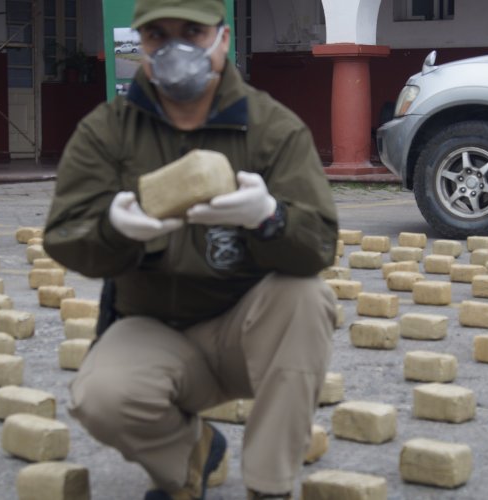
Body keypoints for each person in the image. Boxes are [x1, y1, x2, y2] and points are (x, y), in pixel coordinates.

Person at [42, 0, 338, 498]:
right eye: (157, 35)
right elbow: (63, 234)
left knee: (307, 297)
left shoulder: (273, 128)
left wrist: (270, 217)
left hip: (247, 332)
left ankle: (270, 485)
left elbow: (321, 243)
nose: (175, 48)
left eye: (192, 32)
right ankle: (189, 456)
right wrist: (113, 228)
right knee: (101, 397)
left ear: (223, 38)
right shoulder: (107, 130)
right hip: (152, 325)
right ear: (141, 44)